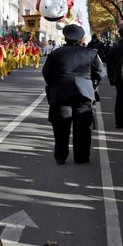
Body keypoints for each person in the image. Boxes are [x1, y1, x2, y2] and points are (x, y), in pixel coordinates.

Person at [42, 23, 105, 165]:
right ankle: (81, 157)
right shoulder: (90, 53)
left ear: (65, 38)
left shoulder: (56, 53)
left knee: (61, 128)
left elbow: (46, 73)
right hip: (83, 94)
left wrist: (55, 84)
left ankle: (61, 156)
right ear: (80, 38)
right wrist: (92, 84)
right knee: (82, 128)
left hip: (60, 95)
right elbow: (101, 72)